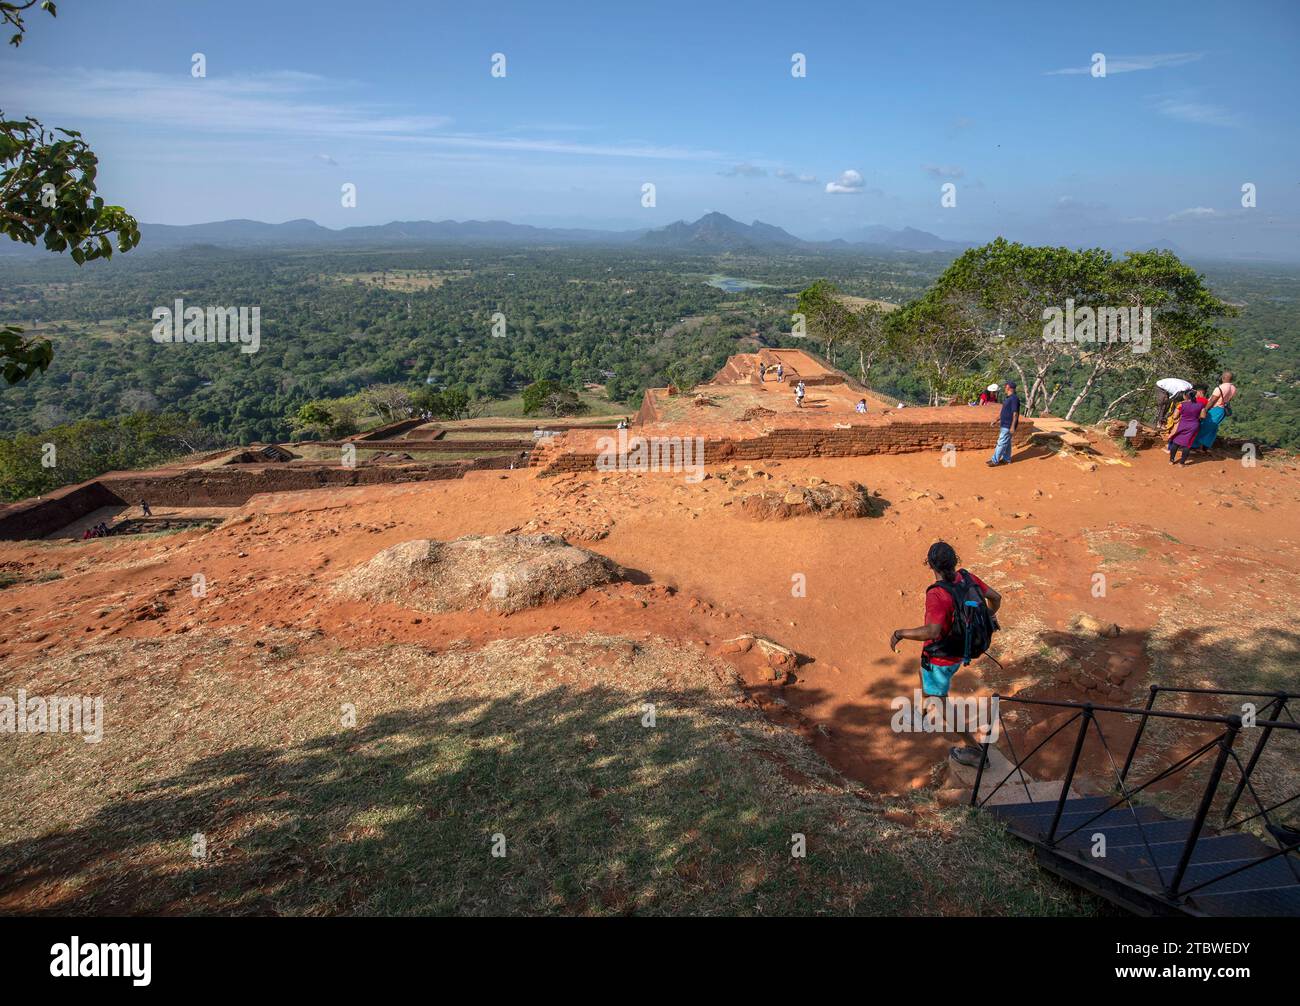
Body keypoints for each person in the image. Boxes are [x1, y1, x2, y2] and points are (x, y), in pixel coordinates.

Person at [890, 541, 1002, 767]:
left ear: (930, 564)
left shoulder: (938, 594)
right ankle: (924, 705)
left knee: (941, 702)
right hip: (962, 649)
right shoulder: (968, 578)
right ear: (955, 561)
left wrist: (899, 633)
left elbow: (932, 631)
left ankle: (973, 749)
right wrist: (987, 615)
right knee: (923, 672)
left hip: (941, 657)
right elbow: (996, 597)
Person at [1195, 371, 1237, 452]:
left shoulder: (1220, 388)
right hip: (1222, 410)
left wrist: (1205, 410)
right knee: (1213, 428)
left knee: (1203, 426)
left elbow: (1212, 401)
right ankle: (1205, 446)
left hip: (1215, 409)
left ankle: (1195, 445)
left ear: (1223, 378)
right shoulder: (1233, 388)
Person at [986, 381, 1020, 467]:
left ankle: (995, 460)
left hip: (1008, 425)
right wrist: (996, 419)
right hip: (1004, 423)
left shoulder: (1014, 399)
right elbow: (1004, 412)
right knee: (1007, 443)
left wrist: (1012, 426)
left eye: (1005, 387)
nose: (1005, 388)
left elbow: (1015, 413)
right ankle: (1006, 459)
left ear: (1009, 387)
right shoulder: (1008, 398)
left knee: (1001, 442)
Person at [1167, 389, 1206, 465]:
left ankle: (1171, 460)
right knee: (1187, 445)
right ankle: (1181, 463)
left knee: (1176, 442)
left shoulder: (1181, 405)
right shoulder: (1201, 405)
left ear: (1185, 396)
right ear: (1195, 396)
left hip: (1182, 425)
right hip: (1193, 426)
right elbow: (1203, 416)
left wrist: (1177, 419)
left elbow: (1175, 416)